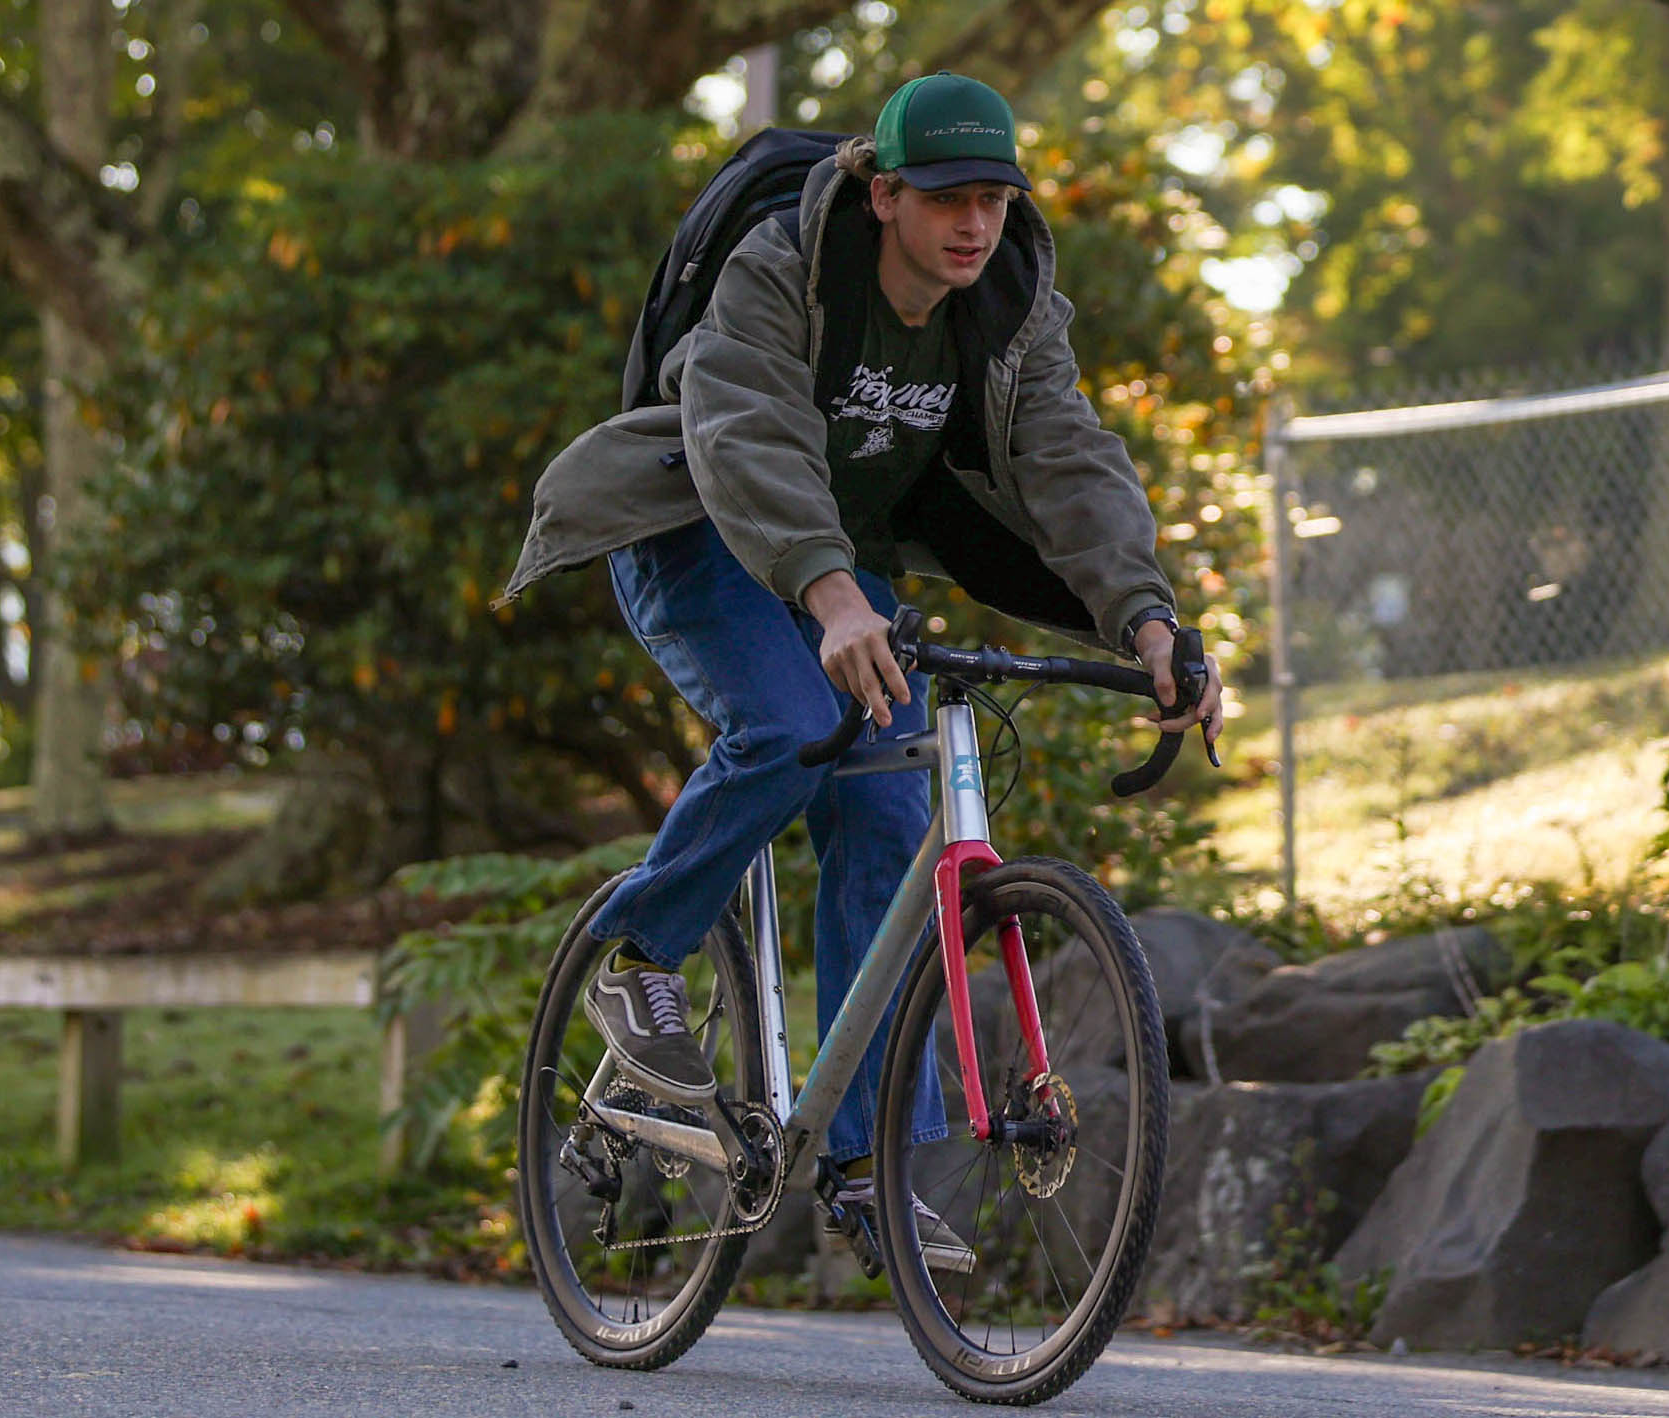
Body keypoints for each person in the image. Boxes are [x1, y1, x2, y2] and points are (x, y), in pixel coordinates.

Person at [497, 73, 1222, 1271]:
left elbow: (1071, 460)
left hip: (847, 562)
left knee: (887, 805)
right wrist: (828, 594)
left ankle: (860, 1160)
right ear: (882, 193)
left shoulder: (1010, 303)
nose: (973, 222)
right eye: (945, 196)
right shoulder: (783, 267)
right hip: (703, 534)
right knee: (786, 729)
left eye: (994, 197)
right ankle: (635, 960)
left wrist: (1148, 621)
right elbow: (743, 434)